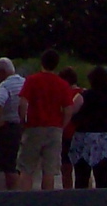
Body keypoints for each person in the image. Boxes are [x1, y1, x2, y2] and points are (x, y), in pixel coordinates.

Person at [18, 49, 81, 191]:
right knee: (49, 170)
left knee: (26, 168)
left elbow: (23, 102)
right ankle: (46, 201)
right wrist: (62, 126)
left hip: (34, 126)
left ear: (42, 62)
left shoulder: (32, 80)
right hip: (54, 129)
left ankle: (23, 200)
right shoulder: (62, 84)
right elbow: (68, 109)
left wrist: (23, 120)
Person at [68, 66, 107, 188]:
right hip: (105, 140)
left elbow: (71, 111)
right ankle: (102, 204)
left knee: (81, 177)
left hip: (84, 138)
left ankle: (81, 202)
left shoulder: (82, 96)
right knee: (102, 179)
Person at [0, 57, 24, 191]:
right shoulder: (25, 82)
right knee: (22, 164)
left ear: (2, 72)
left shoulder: (4, 86)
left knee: (10, 165)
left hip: (10, 127)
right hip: (25, 127)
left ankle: (13, 193)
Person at [59, 68, 80, 189]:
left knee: (66, 169)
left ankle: (67, 191)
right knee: (82, 168)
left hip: (66, 133)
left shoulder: (64, 94)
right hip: (80, 134)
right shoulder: (83, 93)